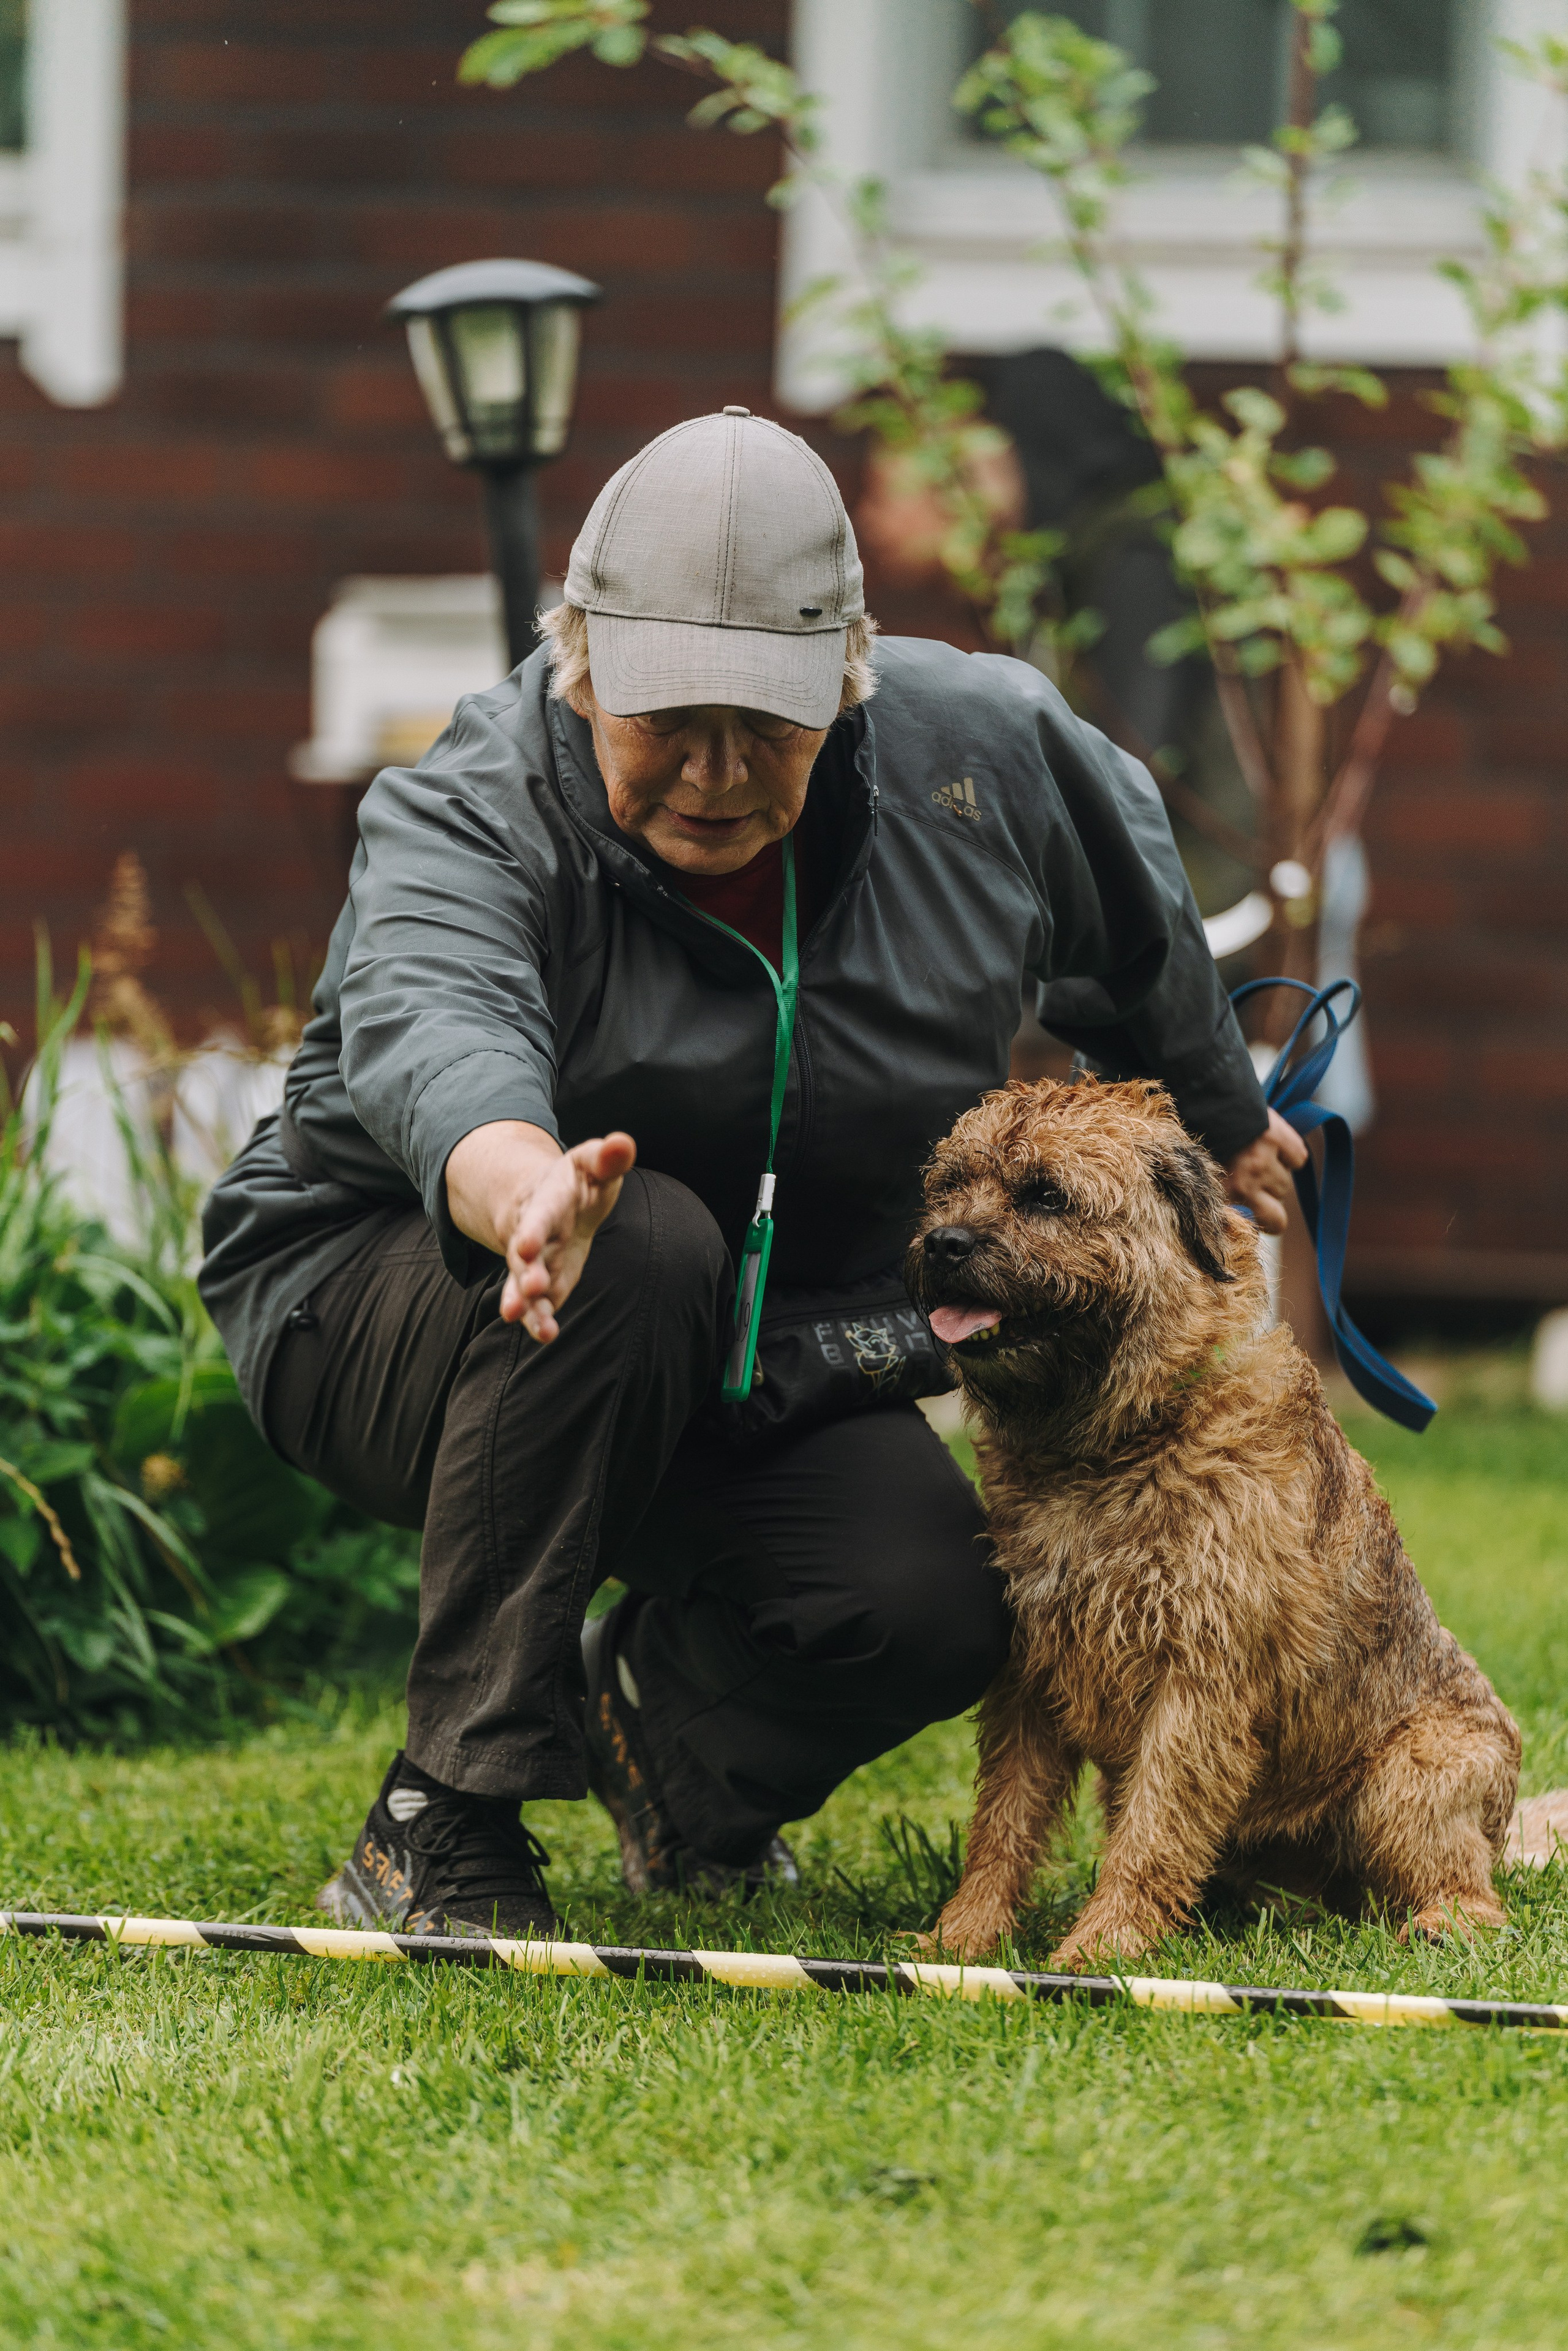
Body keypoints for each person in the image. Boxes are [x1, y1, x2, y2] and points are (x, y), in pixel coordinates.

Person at [200, 406, 1305, 1939]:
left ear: (848, 677)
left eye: (768, 725)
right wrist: (522, 1186)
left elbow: (1134, 915)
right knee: (640, 1242)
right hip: (401, 1298)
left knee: (929, 1600)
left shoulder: (980, 750)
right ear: (578, 665)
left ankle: (665, 1752)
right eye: (666, 718)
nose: (716, 772)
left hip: (763, 1340)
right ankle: (436, 1818)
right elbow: (431, 1026)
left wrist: (1221, 1104)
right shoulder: (472, 804)